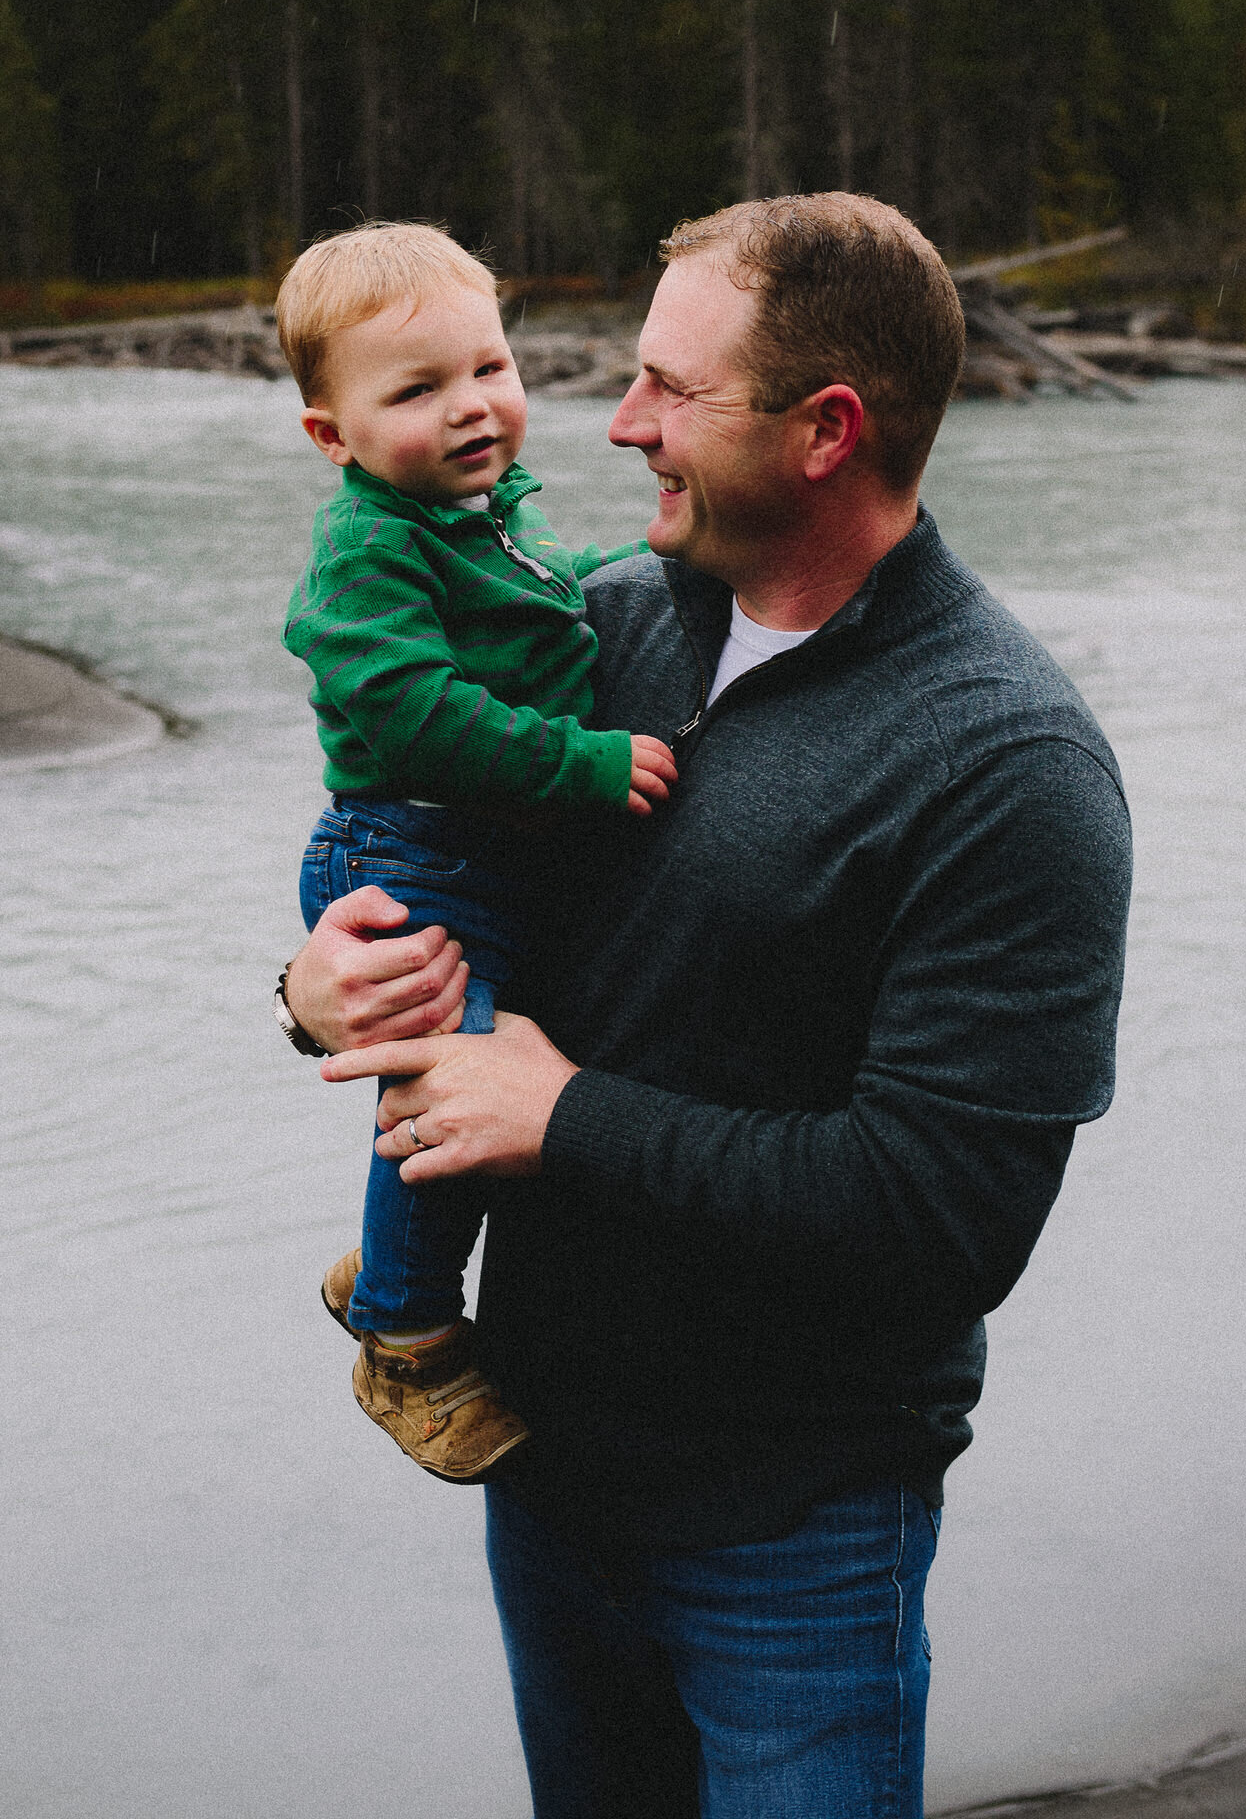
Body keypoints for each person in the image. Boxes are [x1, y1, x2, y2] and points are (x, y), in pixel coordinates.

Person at [280, 193, 1132, 1819]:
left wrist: (565, 1118)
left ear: (827, 430)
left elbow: (948, 1214)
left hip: (794, 1531)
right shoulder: (595, 628)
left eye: (672, 387)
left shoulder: (1006, 765)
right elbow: (424, 889)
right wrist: (313, 995)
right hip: (542, 1474)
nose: (616, 422)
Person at [275, 220, 678, 1480]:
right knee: (449, 1092)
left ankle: (386, 1264)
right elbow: (418, 717)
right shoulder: (368, 550)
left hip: (465, 856)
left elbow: (557, 586)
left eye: (487, 370)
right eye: (416, 391)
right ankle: (405, 1336)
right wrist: (585, 766)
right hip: (408, 855)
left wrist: (655, 564)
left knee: (467, 1082)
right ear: (331, 436)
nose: (470, 410)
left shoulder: (483, 515)